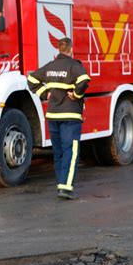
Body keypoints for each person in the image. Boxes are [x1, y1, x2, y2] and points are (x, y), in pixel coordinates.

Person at [27, 38, 90, 200]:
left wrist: (44, 93)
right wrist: (76, 95)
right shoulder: (74, 66)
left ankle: (61, 184)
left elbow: (31, 79)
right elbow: (84, 80)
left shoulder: (51, 66)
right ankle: (66, 188)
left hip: (53, 116)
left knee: (59, 152)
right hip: (70, 116)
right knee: (72, 151)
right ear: (71, 49)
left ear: (58, 49)